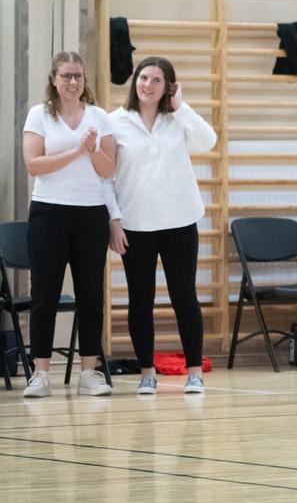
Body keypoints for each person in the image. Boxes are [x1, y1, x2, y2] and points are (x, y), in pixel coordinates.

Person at [106, 57, 217, 395]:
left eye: (156, 80)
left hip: (179, 221)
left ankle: (194, 371)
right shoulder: (115, 122)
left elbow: (207, 141)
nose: (148, 85)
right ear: (134, 81)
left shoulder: (178, 120)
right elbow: (106, 178)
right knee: (140, 300)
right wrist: (114, 220)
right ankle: (146, 373)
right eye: (143, 78)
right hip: (135, 224)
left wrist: (180, 105)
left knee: (185, 297)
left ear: (168, 86)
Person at [21, 51, 116, 397]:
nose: (73, 82)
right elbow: (34, 164)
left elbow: (109, 169)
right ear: (54, 80)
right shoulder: (40, 114)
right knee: (44, 294)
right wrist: (76, 152)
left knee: (91, 294)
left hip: (90, 214)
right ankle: (40, 373)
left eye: (78, 76)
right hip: (48, 213)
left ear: (84, 80)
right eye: (66, 76)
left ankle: (89, 371)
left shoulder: (99, 116)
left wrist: (91, 151)